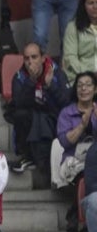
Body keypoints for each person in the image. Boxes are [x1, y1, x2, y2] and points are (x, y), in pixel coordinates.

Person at [6, 42, 70, 178]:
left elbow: (66, 103)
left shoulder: (57, 73)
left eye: (34, 57)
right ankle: (27, 156)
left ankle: (45, 160)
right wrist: (31, 81)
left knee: (45, 118)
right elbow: (18, 103)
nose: (30, 62)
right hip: (31, 118)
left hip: (54, 118)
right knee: (21, 114)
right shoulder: (19, 77)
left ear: (42, 58)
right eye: (26, 58)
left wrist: (50, 85)